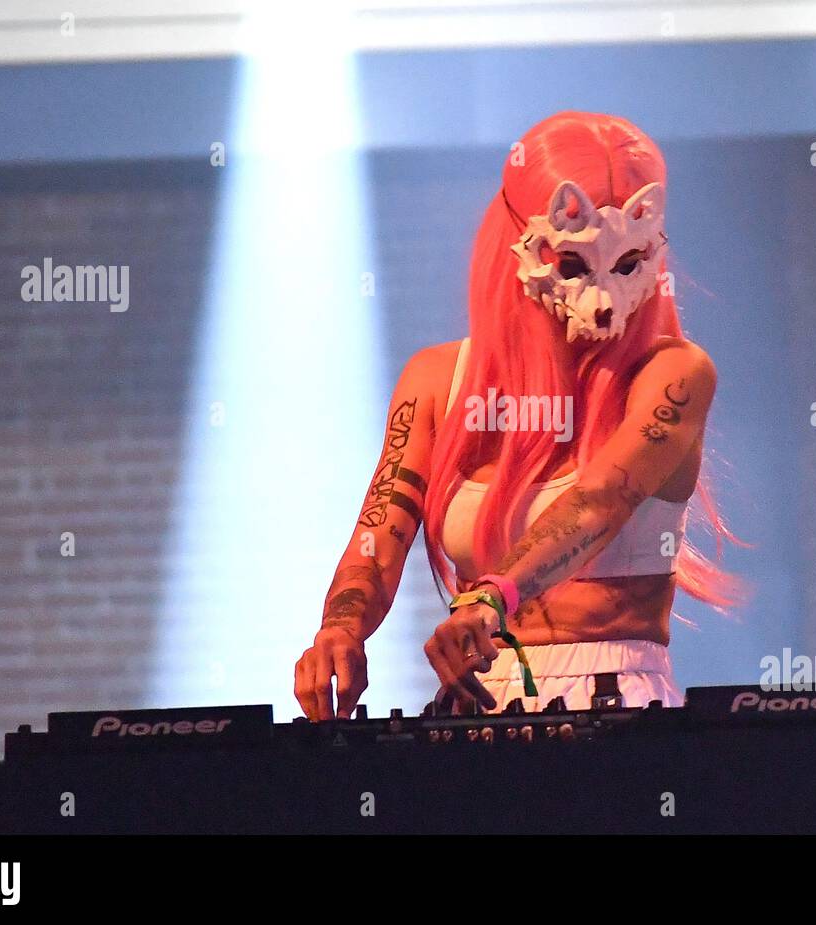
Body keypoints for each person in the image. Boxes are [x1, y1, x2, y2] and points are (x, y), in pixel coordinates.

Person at [295, 110, 739, 720]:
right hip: (475, 709)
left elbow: (602, 499)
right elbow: (377, 535)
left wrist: (491, 599)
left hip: (616, 702)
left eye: (629, 264)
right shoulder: (437, 382)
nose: (603, 295)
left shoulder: (673, 374)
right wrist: (339, 630)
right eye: (575, 265)